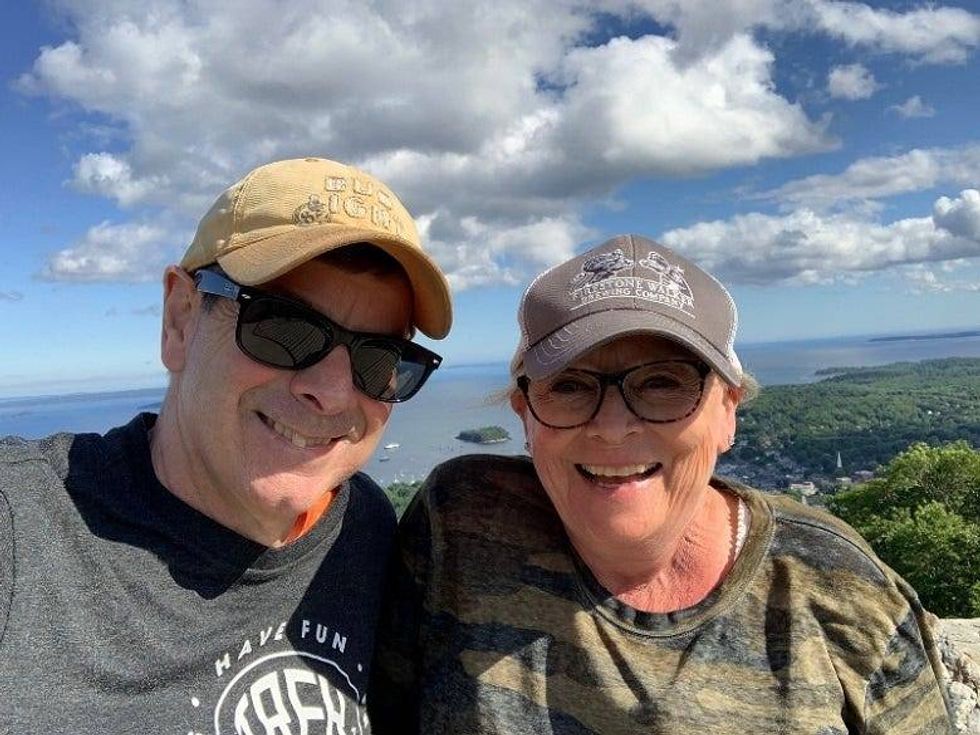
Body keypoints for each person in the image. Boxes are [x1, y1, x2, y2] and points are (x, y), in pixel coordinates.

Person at [369, 234, 952, 734]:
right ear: (525, 414)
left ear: (729, 409)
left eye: (664, 382)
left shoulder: (838, 590)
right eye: (571, 386)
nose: (614, 426)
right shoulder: (462, 526)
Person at [0, 157, 452, 733]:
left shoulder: (360, 526)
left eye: (378, 358)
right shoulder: (22, 528)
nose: (333, 392)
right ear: (180, 320)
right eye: (283, 327)